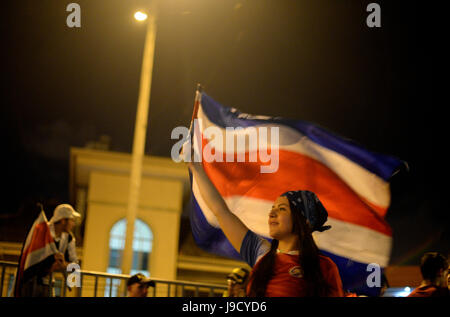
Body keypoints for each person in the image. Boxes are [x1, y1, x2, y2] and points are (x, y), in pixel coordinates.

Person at [188, 161, 344, 297]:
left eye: (282, 209)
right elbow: (221, 212)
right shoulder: (261, 253)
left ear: (304, 221)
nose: (272, 213)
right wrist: (195, 166)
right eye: (273, 208)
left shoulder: (323, 266)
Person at [19, 204, 81, 297]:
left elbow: (75, 264)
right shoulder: (42, 231)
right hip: (31, 281)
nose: (73, 224)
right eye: (72, 220)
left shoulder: (69, 238)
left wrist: (63, 264)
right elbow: (33, 256)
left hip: (48, 283)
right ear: (63, 220)